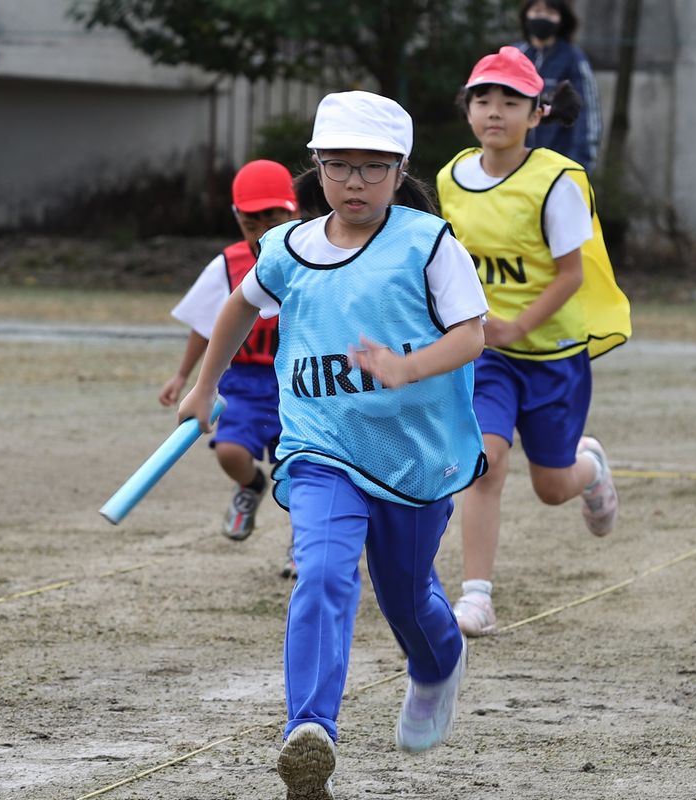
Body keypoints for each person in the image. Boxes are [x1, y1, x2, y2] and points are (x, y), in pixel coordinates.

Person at [177, 90, 489, 800]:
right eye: (339, 166)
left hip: (412, 453)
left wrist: (406, 367)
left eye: (372, 168)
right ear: (314, 168)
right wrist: (203, 388)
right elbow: (237, 305)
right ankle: (309, 730)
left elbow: (471, 334)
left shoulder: (428, 243)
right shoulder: (287, 247)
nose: (354, 182)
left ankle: (438, 667)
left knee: (408, 599)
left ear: (399, 169)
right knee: (321, 570)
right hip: (321, 449)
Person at [437, 46, 631, 638]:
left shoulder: (555, 182)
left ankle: (590, 470)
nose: (495, 111)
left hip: (552, 358)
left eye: (509, 101)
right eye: (483, 99)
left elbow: (571, 273)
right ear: (468, 110)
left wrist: (520, 325)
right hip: (487, 356)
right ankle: (477, 598)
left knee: (551, 488)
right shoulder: (450, 179)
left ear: (537, 112)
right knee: (485, 464)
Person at [159, 159, 299, 574]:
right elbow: (207, 324)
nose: (261, 233)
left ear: (293, 211)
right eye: (251, 223)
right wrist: (183, 376)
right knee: (230, 451)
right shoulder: (228, 264)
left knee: (301, 472)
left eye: (271, 220)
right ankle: (251, 486)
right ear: (237, 218)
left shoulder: (313, 255)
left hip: (297, 380)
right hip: (243, 381)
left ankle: (304, 547)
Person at [514, 0, 603, 172]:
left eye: (550, 12)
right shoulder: (516, 56)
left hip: (557, 166)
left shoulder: (574, 59)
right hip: (514, 166)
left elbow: (588, 114)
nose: (543, 17)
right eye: (537, 10)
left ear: (561, 18)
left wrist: (580, 166)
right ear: (526, 14)